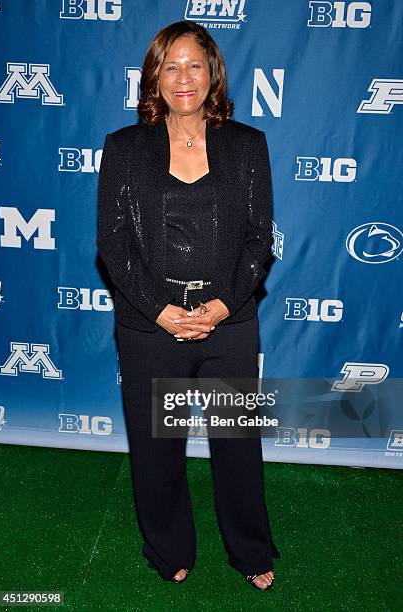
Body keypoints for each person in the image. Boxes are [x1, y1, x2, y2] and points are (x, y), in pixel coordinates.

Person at [96, 20, 279, 591]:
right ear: (154, 76)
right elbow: (113, 242)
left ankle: (250, 550)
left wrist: (223, 306)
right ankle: (168, 547)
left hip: (229, 324)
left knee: (237, 447)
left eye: (194, 64)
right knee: (157, 452)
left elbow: (258, 238)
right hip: (151, 328)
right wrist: (159, 310)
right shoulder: (124, 148)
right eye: (170, 65)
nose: (183, 77)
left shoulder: (248, 145)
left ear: (213, 73)